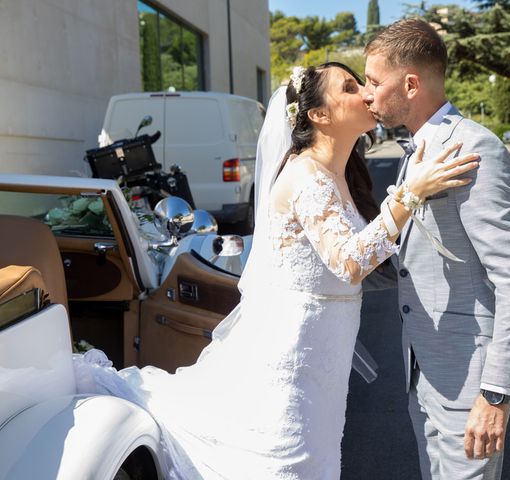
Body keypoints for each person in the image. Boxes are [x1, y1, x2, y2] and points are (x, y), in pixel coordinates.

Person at [74, 61, 479, 479]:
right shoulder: (305, 174)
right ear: (319, 115)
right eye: (350, 86)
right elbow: (349, 261)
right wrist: (411, 195)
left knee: (315, 457)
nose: (367, 93)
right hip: (293, 355)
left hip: (327, 357)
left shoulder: (337, 174)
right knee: (283, 459)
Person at [363, 19, 510, 480]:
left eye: (374, 81)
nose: (368, 94)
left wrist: (496, 393)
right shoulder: (416, 149)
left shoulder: (473, 146)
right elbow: (411, 264)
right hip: (423, 367)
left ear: (410, 84)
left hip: (470, 381)